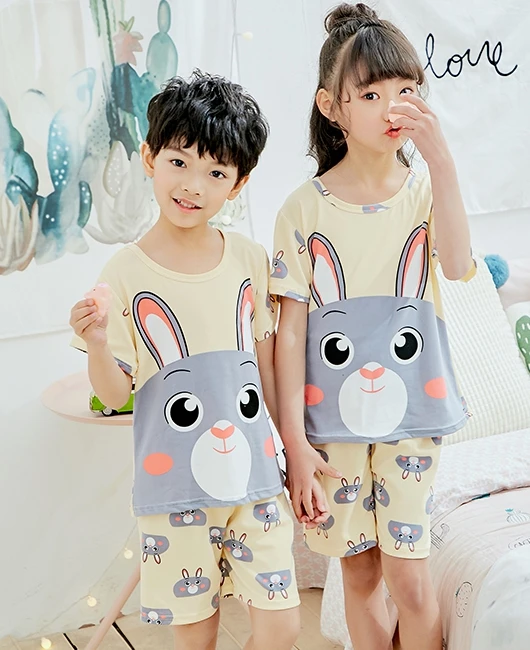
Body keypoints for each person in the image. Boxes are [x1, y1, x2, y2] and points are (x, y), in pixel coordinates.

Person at [70, 71, 300, 650]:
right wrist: (97, 343)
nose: (194, 186)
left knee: (281, 628)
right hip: (175, 493)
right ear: (150, 157)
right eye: (179, 162)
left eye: (216, 173)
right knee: (196, 639)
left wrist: (292, 451)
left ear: (238, 183)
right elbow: (115, 394)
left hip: (256, 479)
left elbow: (266, 368)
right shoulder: (124, 272)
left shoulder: (249, 259)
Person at [270, 5, 475, 650]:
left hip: (413, 415)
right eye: (370, 94)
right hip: (331, 425)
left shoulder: (424, 191)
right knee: (359, 575)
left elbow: (458, 266)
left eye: (406, 90)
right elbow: (289, 335)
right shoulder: (302, 210)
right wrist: (294, 442)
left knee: (410, 580)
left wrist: (442, 161)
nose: (393, 108)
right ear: (332, 107)